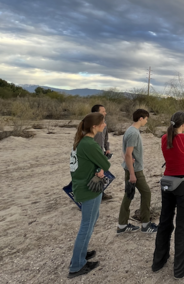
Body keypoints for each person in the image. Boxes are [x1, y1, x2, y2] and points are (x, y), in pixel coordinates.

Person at [152, 111, 184, 279]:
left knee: (165, 220)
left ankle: (159, 260)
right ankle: (181, 267)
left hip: (167, 181)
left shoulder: (165, 138)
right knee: (182, 224)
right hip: (183, 183)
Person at [68, 112, 111, 278]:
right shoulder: (89, 144)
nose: (105, 124)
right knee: (86, 225)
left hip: (81, 185)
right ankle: (77, 265)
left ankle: (81, 254)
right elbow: (105, 163)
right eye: (102, 122)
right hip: (89, 189)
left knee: (92, 219)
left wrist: (97, 168)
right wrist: (101, 166)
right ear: (94, 126)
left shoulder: (81, 141)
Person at [117, 109, 158, 234]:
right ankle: (145, 225)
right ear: (141, 118)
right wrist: (133, 174)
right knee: (146, 193)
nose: (146, 121)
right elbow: (128, 154)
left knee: (128, 194)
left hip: (130, 168)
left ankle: (122, 225)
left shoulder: (130, 130)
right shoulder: (133, 133)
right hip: (135, 171)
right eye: (146, 118)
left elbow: (126, 153)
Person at [91, 104, 113, 201]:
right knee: (92, 174)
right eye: (103, 111)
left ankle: (101, 194)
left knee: (101, 173)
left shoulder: (104, 123)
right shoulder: (89, 123)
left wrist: (107, 148)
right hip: (91, 153)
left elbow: (106, 137)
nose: (105, 113)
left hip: (100, 152)